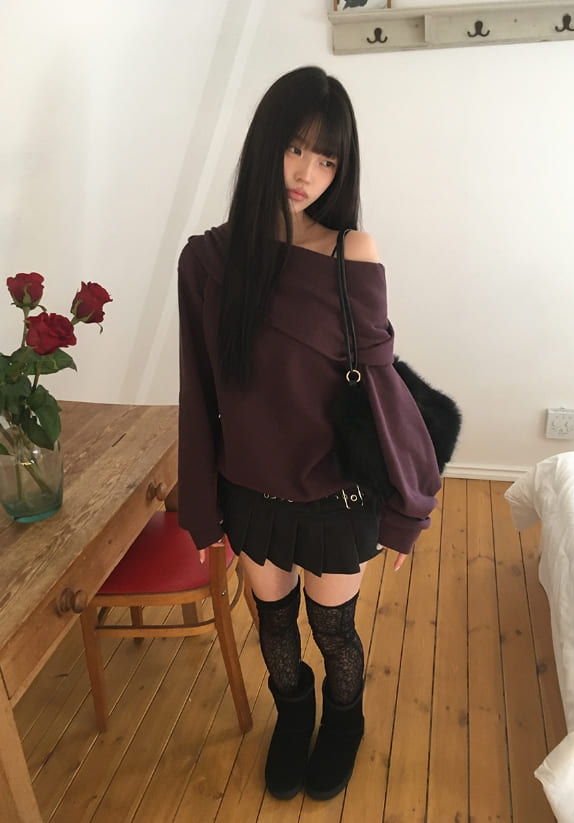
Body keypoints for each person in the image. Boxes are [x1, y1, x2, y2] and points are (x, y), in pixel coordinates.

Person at [177, 66, 440, 802]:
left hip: (335, 492)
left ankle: (344, 720)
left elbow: (382, 389)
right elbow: (197, 390)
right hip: (251, 491)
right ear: (265, 143)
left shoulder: (352, 252)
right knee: (274, 625)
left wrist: (406, 506)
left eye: (326, 159)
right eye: (296, 148)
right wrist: (202, 509)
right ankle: (293, 715)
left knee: (333, 629)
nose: (306, 174)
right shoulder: (208, 260)